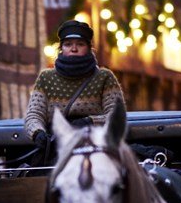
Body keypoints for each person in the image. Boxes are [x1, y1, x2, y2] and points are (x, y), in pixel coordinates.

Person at [25, 20, 124, 162]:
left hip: (95, 144)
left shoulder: (104, 77)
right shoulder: (46, 78)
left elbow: (116, 117)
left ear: (89, 48)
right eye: (68, 44)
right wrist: (37, 132)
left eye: (80, 44)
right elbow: (34, 114)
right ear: (61, 48)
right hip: (56, 145)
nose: (74, 49)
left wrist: (88, 121)